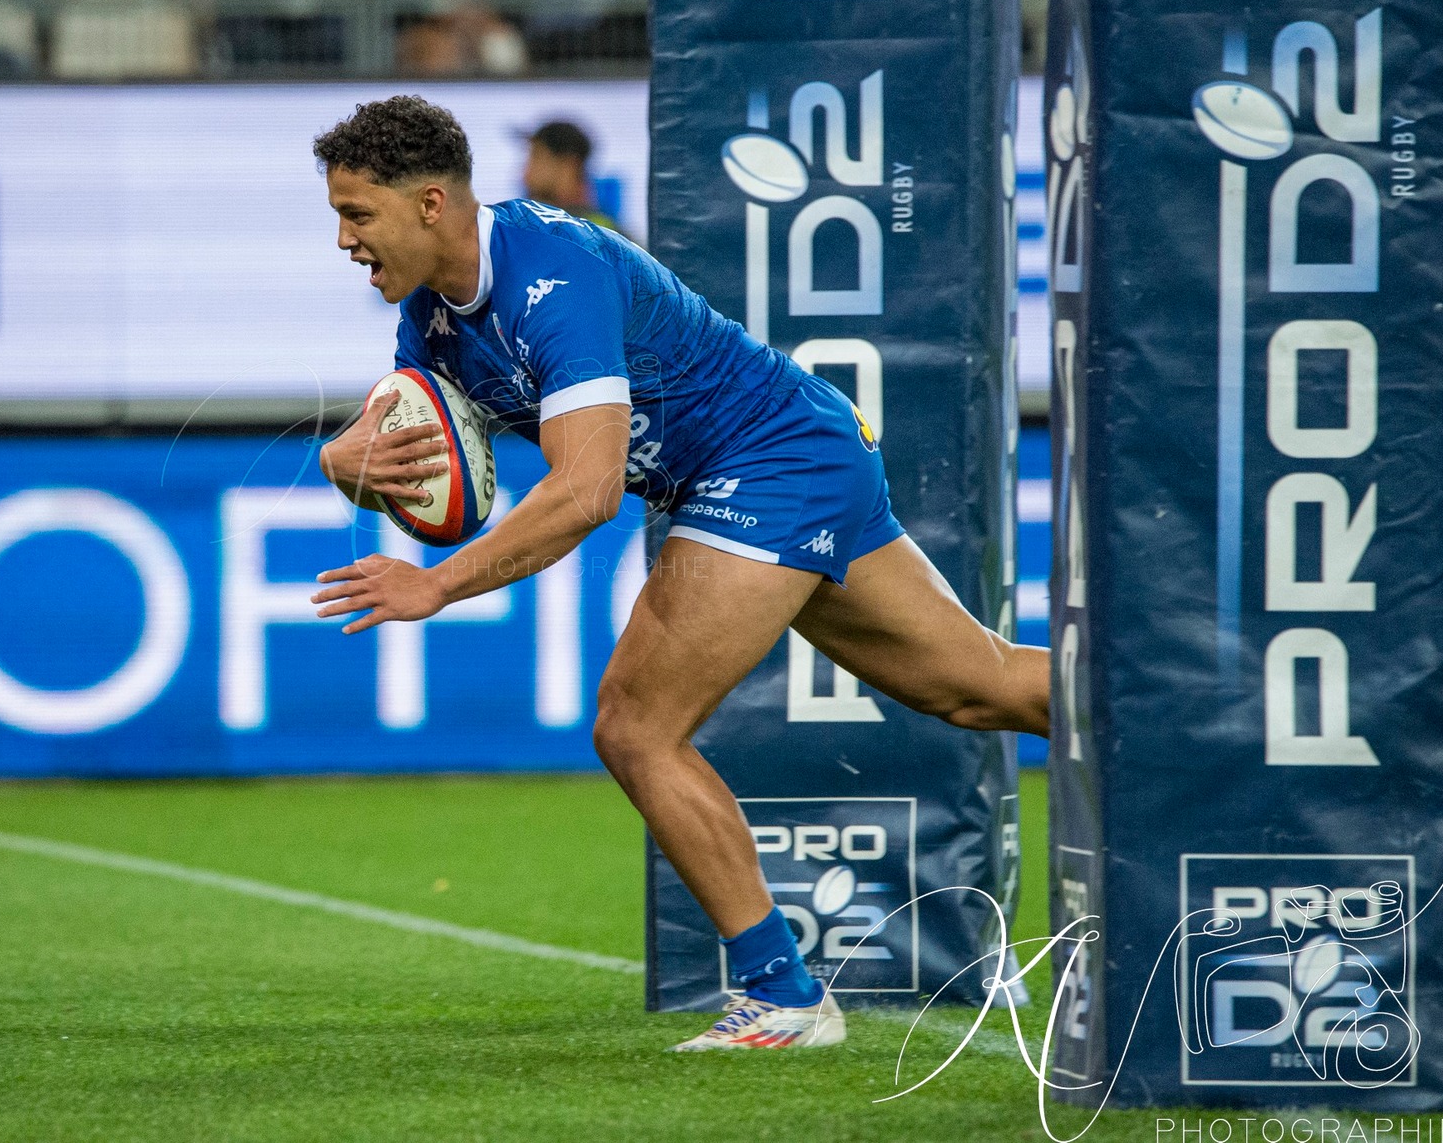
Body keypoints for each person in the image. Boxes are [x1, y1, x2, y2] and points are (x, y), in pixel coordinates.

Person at [307, 97, 1050, 1053]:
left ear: (432, 205)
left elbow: (583, 493)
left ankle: (784, 995)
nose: (343, 239)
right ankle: (1164, 727)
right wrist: (344, 462)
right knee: (977, 687)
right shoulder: (430, 322)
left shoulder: (552, 275)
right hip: (795, 453)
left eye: (357, 214)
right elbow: (428, 469)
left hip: (770, 459)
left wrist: (436, 586)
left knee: (635, 723)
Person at [519, 119, 615, 230]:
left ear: (568, 166)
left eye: (537, 158)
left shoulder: (604, 236)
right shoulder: (528, 226)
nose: (525, 174)